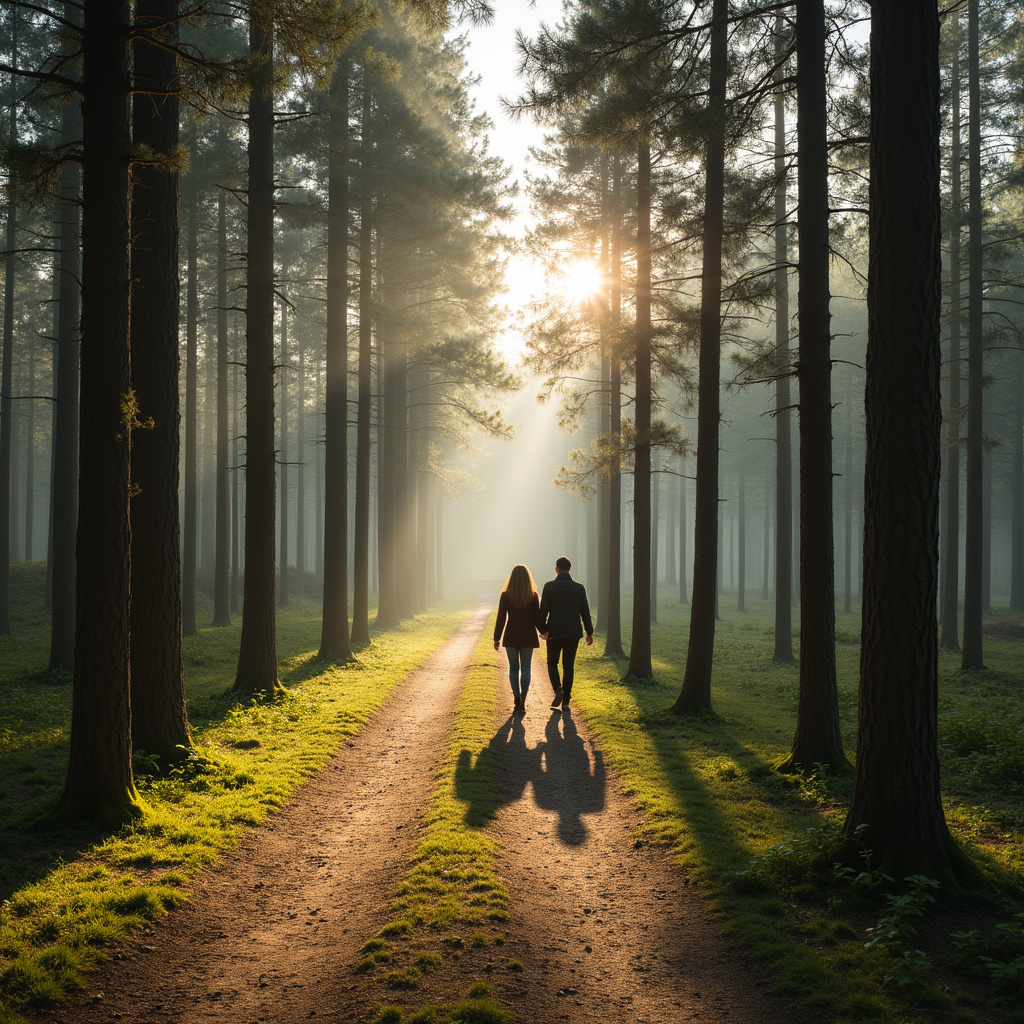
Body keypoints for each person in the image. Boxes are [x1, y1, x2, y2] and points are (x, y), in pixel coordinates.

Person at [538, 556, 593, 710]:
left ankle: (558, 690)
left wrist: (543, 630)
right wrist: (589, 631)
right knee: (568, 666)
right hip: (573, 633)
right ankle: (567, 701)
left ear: (556, 569)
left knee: (552, 663)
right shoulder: (579, 588)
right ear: (570, 569)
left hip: (554, 632)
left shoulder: (549, 587)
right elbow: (585, 612)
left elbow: (543, 611)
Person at [493, 564, 542, 714]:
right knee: (526, 668)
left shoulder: (505, 595)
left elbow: (501, 618)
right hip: (528, 634)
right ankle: (523, 698)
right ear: (528, 578)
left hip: (511, 634)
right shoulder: (533, 596)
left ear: (512, 578)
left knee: (514, 669)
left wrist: (496, 638)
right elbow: (537, 618)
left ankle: (516, 697)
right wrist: (544, 631)